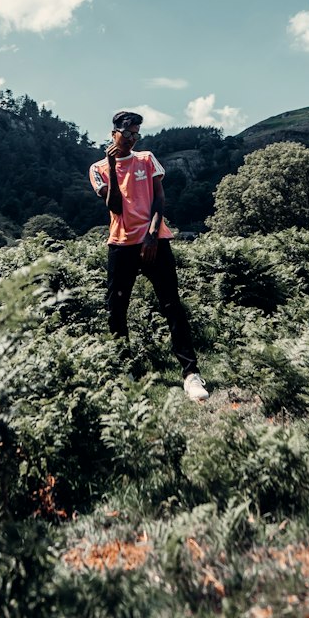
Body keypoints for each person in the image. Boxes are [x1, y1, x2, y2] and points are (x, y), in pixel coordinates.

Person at [89, 109, 209, 401]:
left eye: (135, 134)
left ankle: (191, 374)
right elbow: (115, 207)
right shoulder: (98, 168)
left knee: (172, 305)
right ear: (113, 132)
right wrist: (114, 164)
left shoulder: (147, 158)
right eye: (126, 133)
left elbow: (159, 200)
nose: (131, 138)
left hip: (155, 240)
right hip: (121, 243)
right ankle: (124, 372)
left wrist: (153, 236)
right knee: (116, 309)